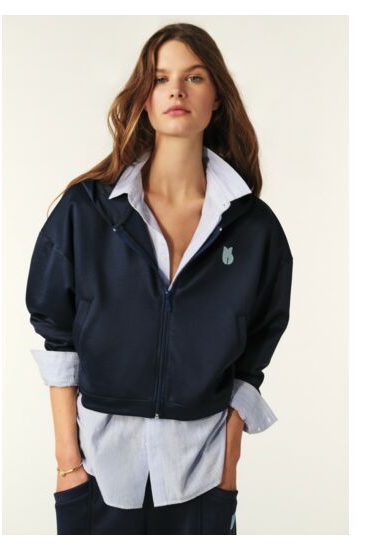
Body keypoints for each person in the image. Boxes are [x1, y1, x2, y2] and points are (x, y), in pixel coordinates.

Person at [25, 22, 293, 535]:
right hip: (98, 473)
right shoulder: (87, 212)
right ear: (144, 99)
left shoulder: (254, 229)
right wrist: (68, 465)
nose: (176, 90)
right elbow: (57, 338)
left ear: (217, 98)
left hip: (202, 479)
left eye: (194, 77)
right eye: (160, 78)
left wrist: (228, 468)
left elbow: (253, 355)